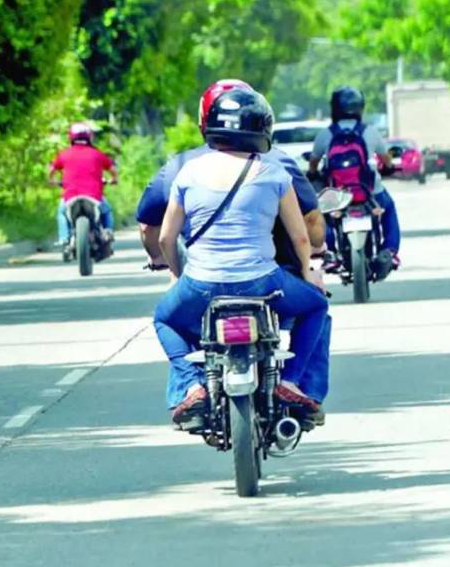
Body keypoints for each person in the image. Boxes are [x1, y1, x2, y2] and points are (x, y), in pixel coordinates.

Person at [137, 79, 331, 414]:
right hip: (263, 282)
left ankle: (190, 384)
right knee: (315, 307)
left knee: (164, 319)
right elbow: (301, 236)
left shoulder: (187, 172)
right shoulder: (274, 172)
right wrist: (307, 272)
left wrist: (180, 273)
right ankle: (292, 382)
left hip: (201, 284)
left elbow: (166, 237)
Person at [309, 86, 401, 277]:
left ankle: (330, 252)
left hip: (337, 195)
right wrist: (390, 167)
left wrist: (312, 173)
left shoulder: (326, 134)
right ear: (360, 107)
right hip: (369, 192)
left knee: (322, 214)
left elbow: (314, 162)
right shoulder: (370, 132)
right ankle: (390, 251)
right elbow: (385, 159)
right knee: (389, 209)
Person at [49, 123, 118, 247]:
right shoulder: (97, 154)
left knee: (62, 212)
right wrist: (114, 179)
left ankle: (64, 237)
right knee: (107, 211)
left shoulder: (64, 154)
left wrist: (52, 180)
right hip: (94, 196)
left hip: (70, 196)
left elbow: (52, 170)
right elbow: (112, 169)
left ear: (71, 137)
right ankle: (108, 231)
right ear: (89, 137)